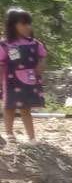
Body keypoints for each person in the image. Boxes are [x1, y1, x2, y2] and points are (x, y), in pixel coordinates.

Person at [4, 8, 47, 143]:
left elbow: (43, 56)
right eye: (23, 24)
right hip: (10, 81)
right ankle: (9, 133)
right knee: (9, 107)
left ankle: (31, 137)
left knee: (25, 108)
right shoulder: (5, 44)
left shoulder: (34, 43)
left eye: (29, 23)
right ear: (13, 25)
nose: (28, 27)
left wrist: (41, 64)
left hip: (29, 80)